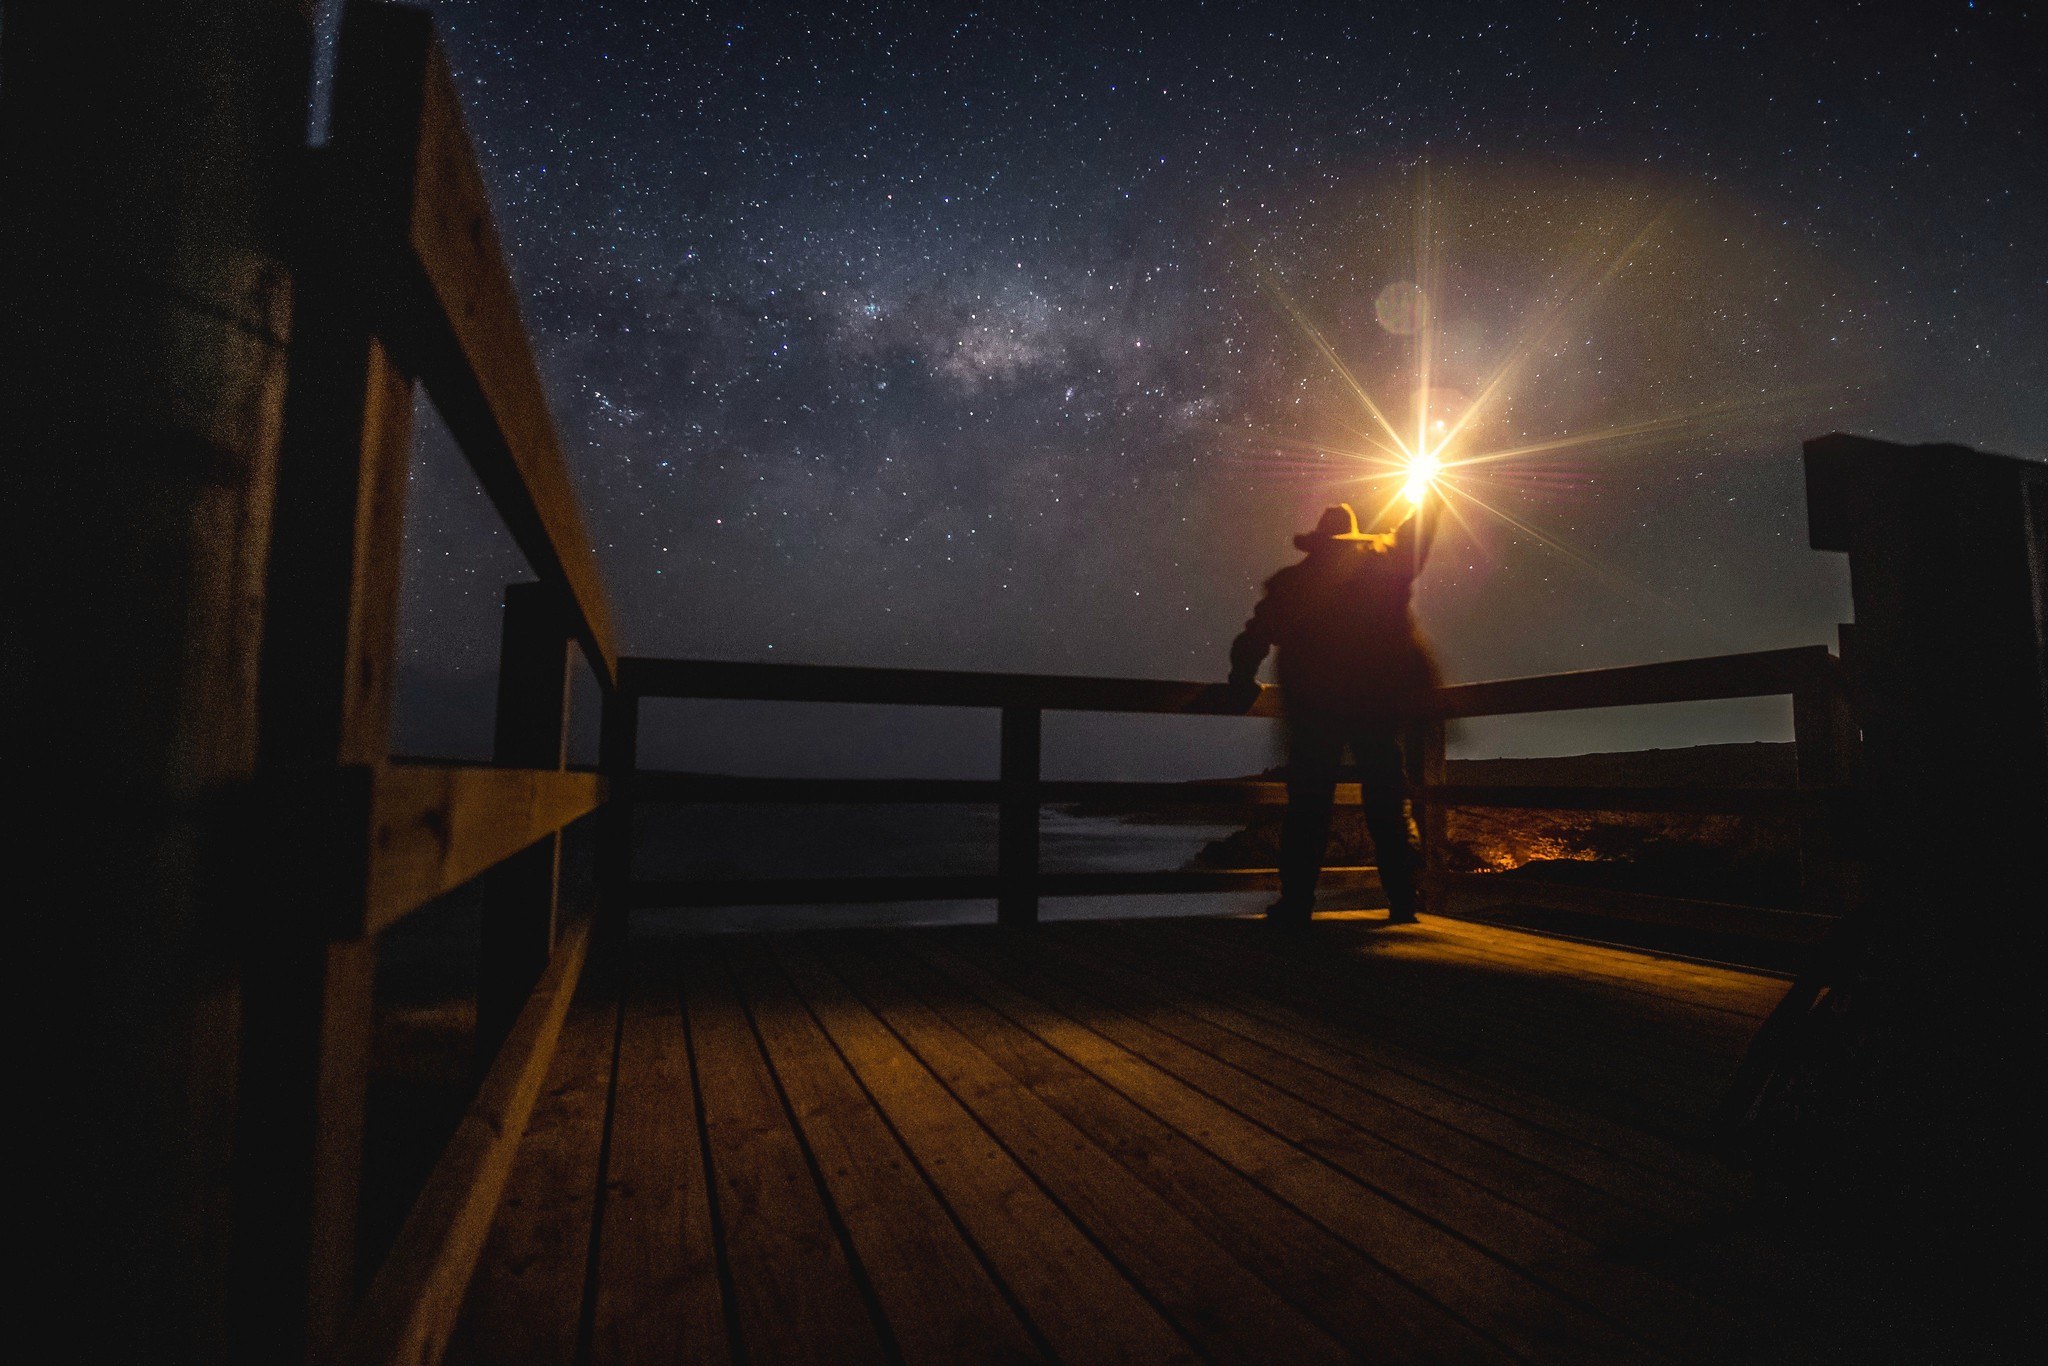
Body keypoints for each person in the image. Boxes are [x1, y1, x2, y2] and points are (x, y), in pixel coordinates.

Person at [1226, 497, 1440, 928]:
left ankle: (1297, 903)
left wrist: (1241, 680)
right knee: (1385, 805)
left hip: (1313, 711)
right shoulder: (1385, 570)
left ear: (1317, 544)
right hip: (1375, 708)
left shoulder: (1290, 583)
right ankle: (1402, 900)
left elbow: (1253, 638)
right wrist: (1431, 502)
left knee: (1308, 807)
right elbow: (1414, 537)